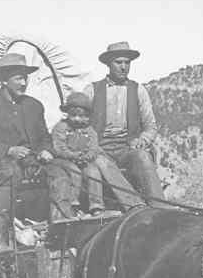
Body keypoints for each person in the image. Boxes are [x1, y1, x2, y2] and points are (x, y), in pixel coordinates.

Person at [0, 52, 54, 252]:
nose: (24, 83)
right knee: (9, 171)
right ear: (4, 80)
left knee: (62, 170)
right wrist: (9, 150)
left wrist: (46, 151)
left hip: (32, 163)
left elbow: (45, 137)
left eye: (25, 78)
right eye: (18, 78)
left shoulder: (34, 106)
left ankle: (58, 229)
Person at [78, 41, 165, 201]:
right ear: (109, 64)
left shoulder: (139, 90)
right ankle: (134, 204)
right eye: (118, 62)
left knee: (143, 157)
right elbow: (77, 124)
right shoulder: (92, 90)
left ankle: (161, 206)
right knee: (102, 163)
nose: (123, 67)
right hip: (100, 148)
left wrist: (142, 140)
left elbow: (150, 126)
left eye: (127, 62)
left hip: (127, 148)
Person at [47, 92, 144, 220]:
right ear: (68, 114)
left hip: (84, 160)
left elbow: (93, 148)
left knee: (93, 172)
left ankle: (96, 206)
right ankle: (73, 204)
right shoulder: (61, 128)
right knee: (74, 172)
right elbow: (59, 147)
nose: (77, 119)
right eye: (74, 115)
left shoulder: (90, 131)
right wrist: (73, 156)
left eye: (82, 116)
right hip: (66, 160)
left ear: (87, 117)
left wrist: (86, 157)